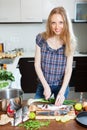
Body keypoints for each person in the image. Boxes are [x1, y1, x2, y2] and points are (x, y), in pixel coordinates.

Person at [34, 7, 77, 106]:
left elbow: (68, 69)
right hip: (43, 84)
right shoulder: (41, 38)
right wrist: (45, 86)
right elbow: (37, 64)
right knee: (37, 109)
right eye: (53, 22)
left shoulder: (70, 42)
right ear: (49, 23)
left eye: (61, 22)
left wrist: (62, 92)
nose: (57, 27)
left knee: (59, 113)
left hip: (61, 86)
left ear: (65, 23)